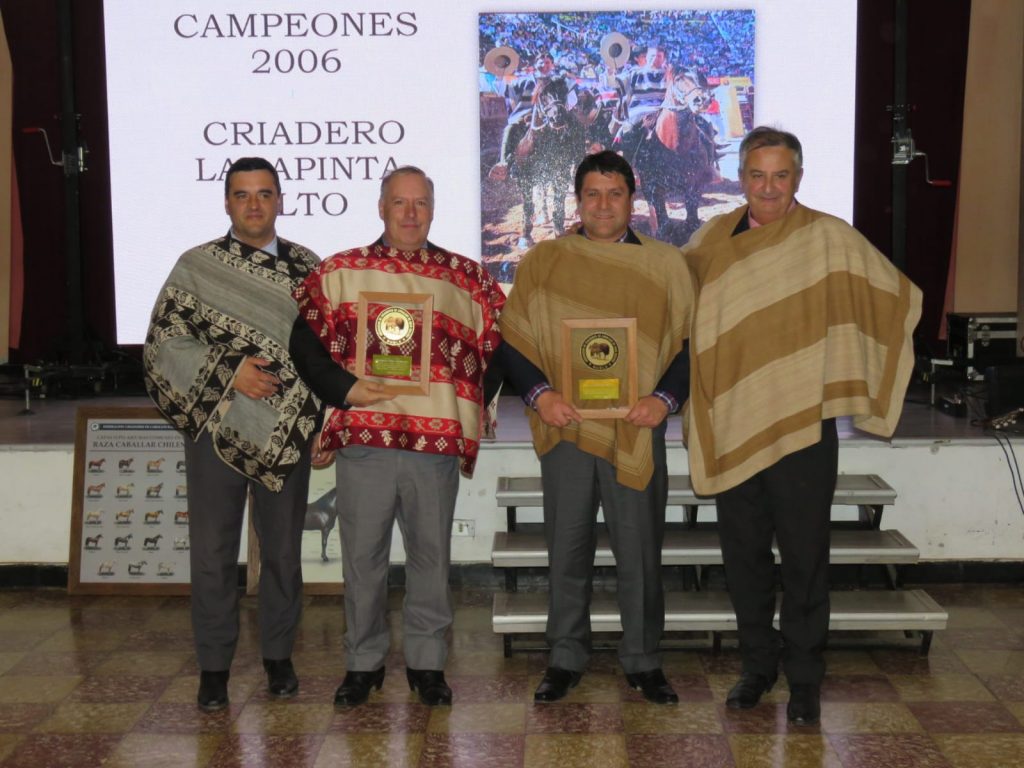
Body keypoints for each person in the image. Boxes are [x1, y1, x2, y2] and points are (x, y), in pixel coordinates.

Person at [681, 126, 922, 725]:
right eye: (757, 175)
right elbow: (677, 312)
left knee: (805, 559)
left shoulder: (828, 238)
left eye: (780, 175)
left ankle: (806, 678)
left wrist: (847, 358)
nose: (768, 188)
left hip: (804, 429)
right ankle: (757, 668)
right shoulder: (710, 241)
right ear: (741, 177)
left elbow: (889, 294)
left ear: (798, 178)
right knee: (744, 559)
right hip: (735, 421)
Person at [289, 166, 505, 707]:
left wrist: (469, 405)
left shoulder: (466, 278)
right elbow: (304, 346)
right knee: (363, 561)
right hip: (366, 441)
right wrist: (345, 389)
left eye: (421, 202)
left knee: (432, 559)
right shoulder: (341, 272)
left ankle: (428, 665)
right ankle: (362, 664)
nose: (410, 213)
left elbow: (498, 346)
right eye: (400, 202)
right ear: (381, 207)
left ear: (433, 208)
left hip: (434, 448)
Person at [498, 150, 693, 704]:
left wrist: (663, 399)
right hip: (566, 426)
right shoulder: (545, 261)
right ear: (577, 200)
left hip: (636, 427)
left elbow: (689, 342)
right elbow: (513, 340)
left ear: (632, 199)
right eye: (592, 194)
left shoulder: (666, 265)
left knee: (640, 551)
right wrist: (540, 395)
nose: (603, 205)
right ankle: (564, 656)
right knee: (567, 547)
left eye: (615, 194)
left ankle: (644, 658)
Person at [143, 156, 323, 711]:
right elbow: (164, 345)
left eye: (264, 193)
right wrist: (230, 372)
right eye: (242, 195)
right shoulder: (196, 267)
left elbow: (329, 352)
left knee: (283, 552)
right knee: (213, 552)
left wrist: (327, 418)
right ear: (226, 202)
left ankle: (278, 656)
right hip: (215, 431)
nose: (253, 204)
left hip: (287, 434)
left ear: (280, 200)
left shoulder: (309, 270)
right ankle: (214, 667)